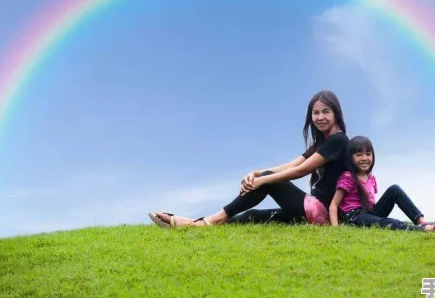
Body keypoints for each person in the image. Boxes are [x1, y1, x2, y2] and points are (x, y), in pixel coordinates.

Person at [148, 90, 349, 227]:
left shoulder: (338, 140)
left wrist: (262, 180)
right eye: (315, 113)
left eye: (325, 112)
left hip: (322, 212)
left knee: (270, 181)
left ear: (336, 114)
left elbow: (301, 171)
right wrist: (256, 173)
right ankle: (192, 225)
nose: (320, 117)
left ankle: (210, 221)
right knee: (252, 217)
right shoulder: (323, 142)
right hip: (313, 211)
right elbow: (295, 164)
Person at [329, 135, 435, 232]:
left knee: (394, 189)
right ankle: (426, 229)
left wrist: (374, 215)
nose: (364, 158)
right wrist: (336, 229)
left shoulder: (371, 178)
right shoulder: (348, 177)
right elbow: (334, 205)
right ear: (350, 158)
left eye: (368, 154)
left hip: (369, 212)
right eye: (359, 155)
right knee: (387, 222)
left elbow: (371, 204)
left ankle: (422, 221)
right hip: (353, 217)